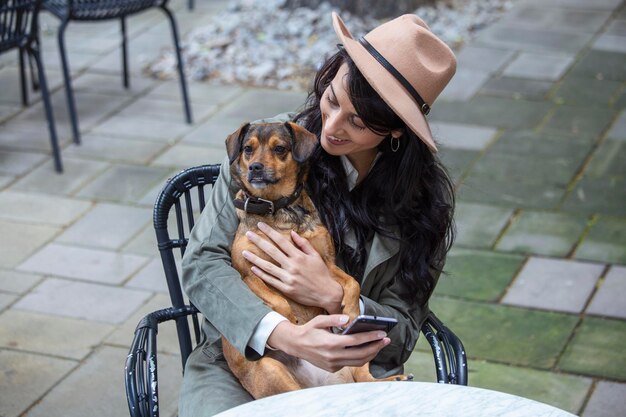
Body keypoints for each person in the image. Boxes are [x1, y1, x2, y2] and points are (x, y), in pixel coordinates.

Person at [179, 11, 457, 417]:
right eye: (331, 99)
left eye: (357, 121)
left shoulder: (421, 207)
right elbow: (202, 264)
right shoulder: (268, 151)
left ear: (396, 129)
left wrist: (334, 295)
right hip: (247, 355)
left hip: (354, 368)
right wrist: (284, 335)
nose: (332, 126)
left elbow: (403, 332)